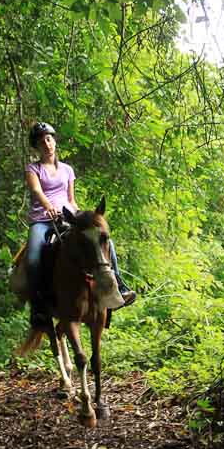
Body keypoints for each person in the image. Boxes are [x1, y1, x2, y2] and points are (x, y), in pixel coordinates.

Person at [24, 121, 135, 327]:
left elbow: (71, 198)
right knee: (32, 258)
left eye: (49, 139)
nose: (46, 144)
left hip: (67, 217)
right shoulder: (33, 169)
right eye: (41, 142)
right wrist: (48, 206)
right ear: (37, 147)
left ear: (54, 141)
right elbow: (37, 191)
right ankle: (38, 307)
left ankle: (118, 286)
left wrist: (79, 215)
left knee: (104, 241)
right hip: (42, 220)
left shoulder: (67, 169)